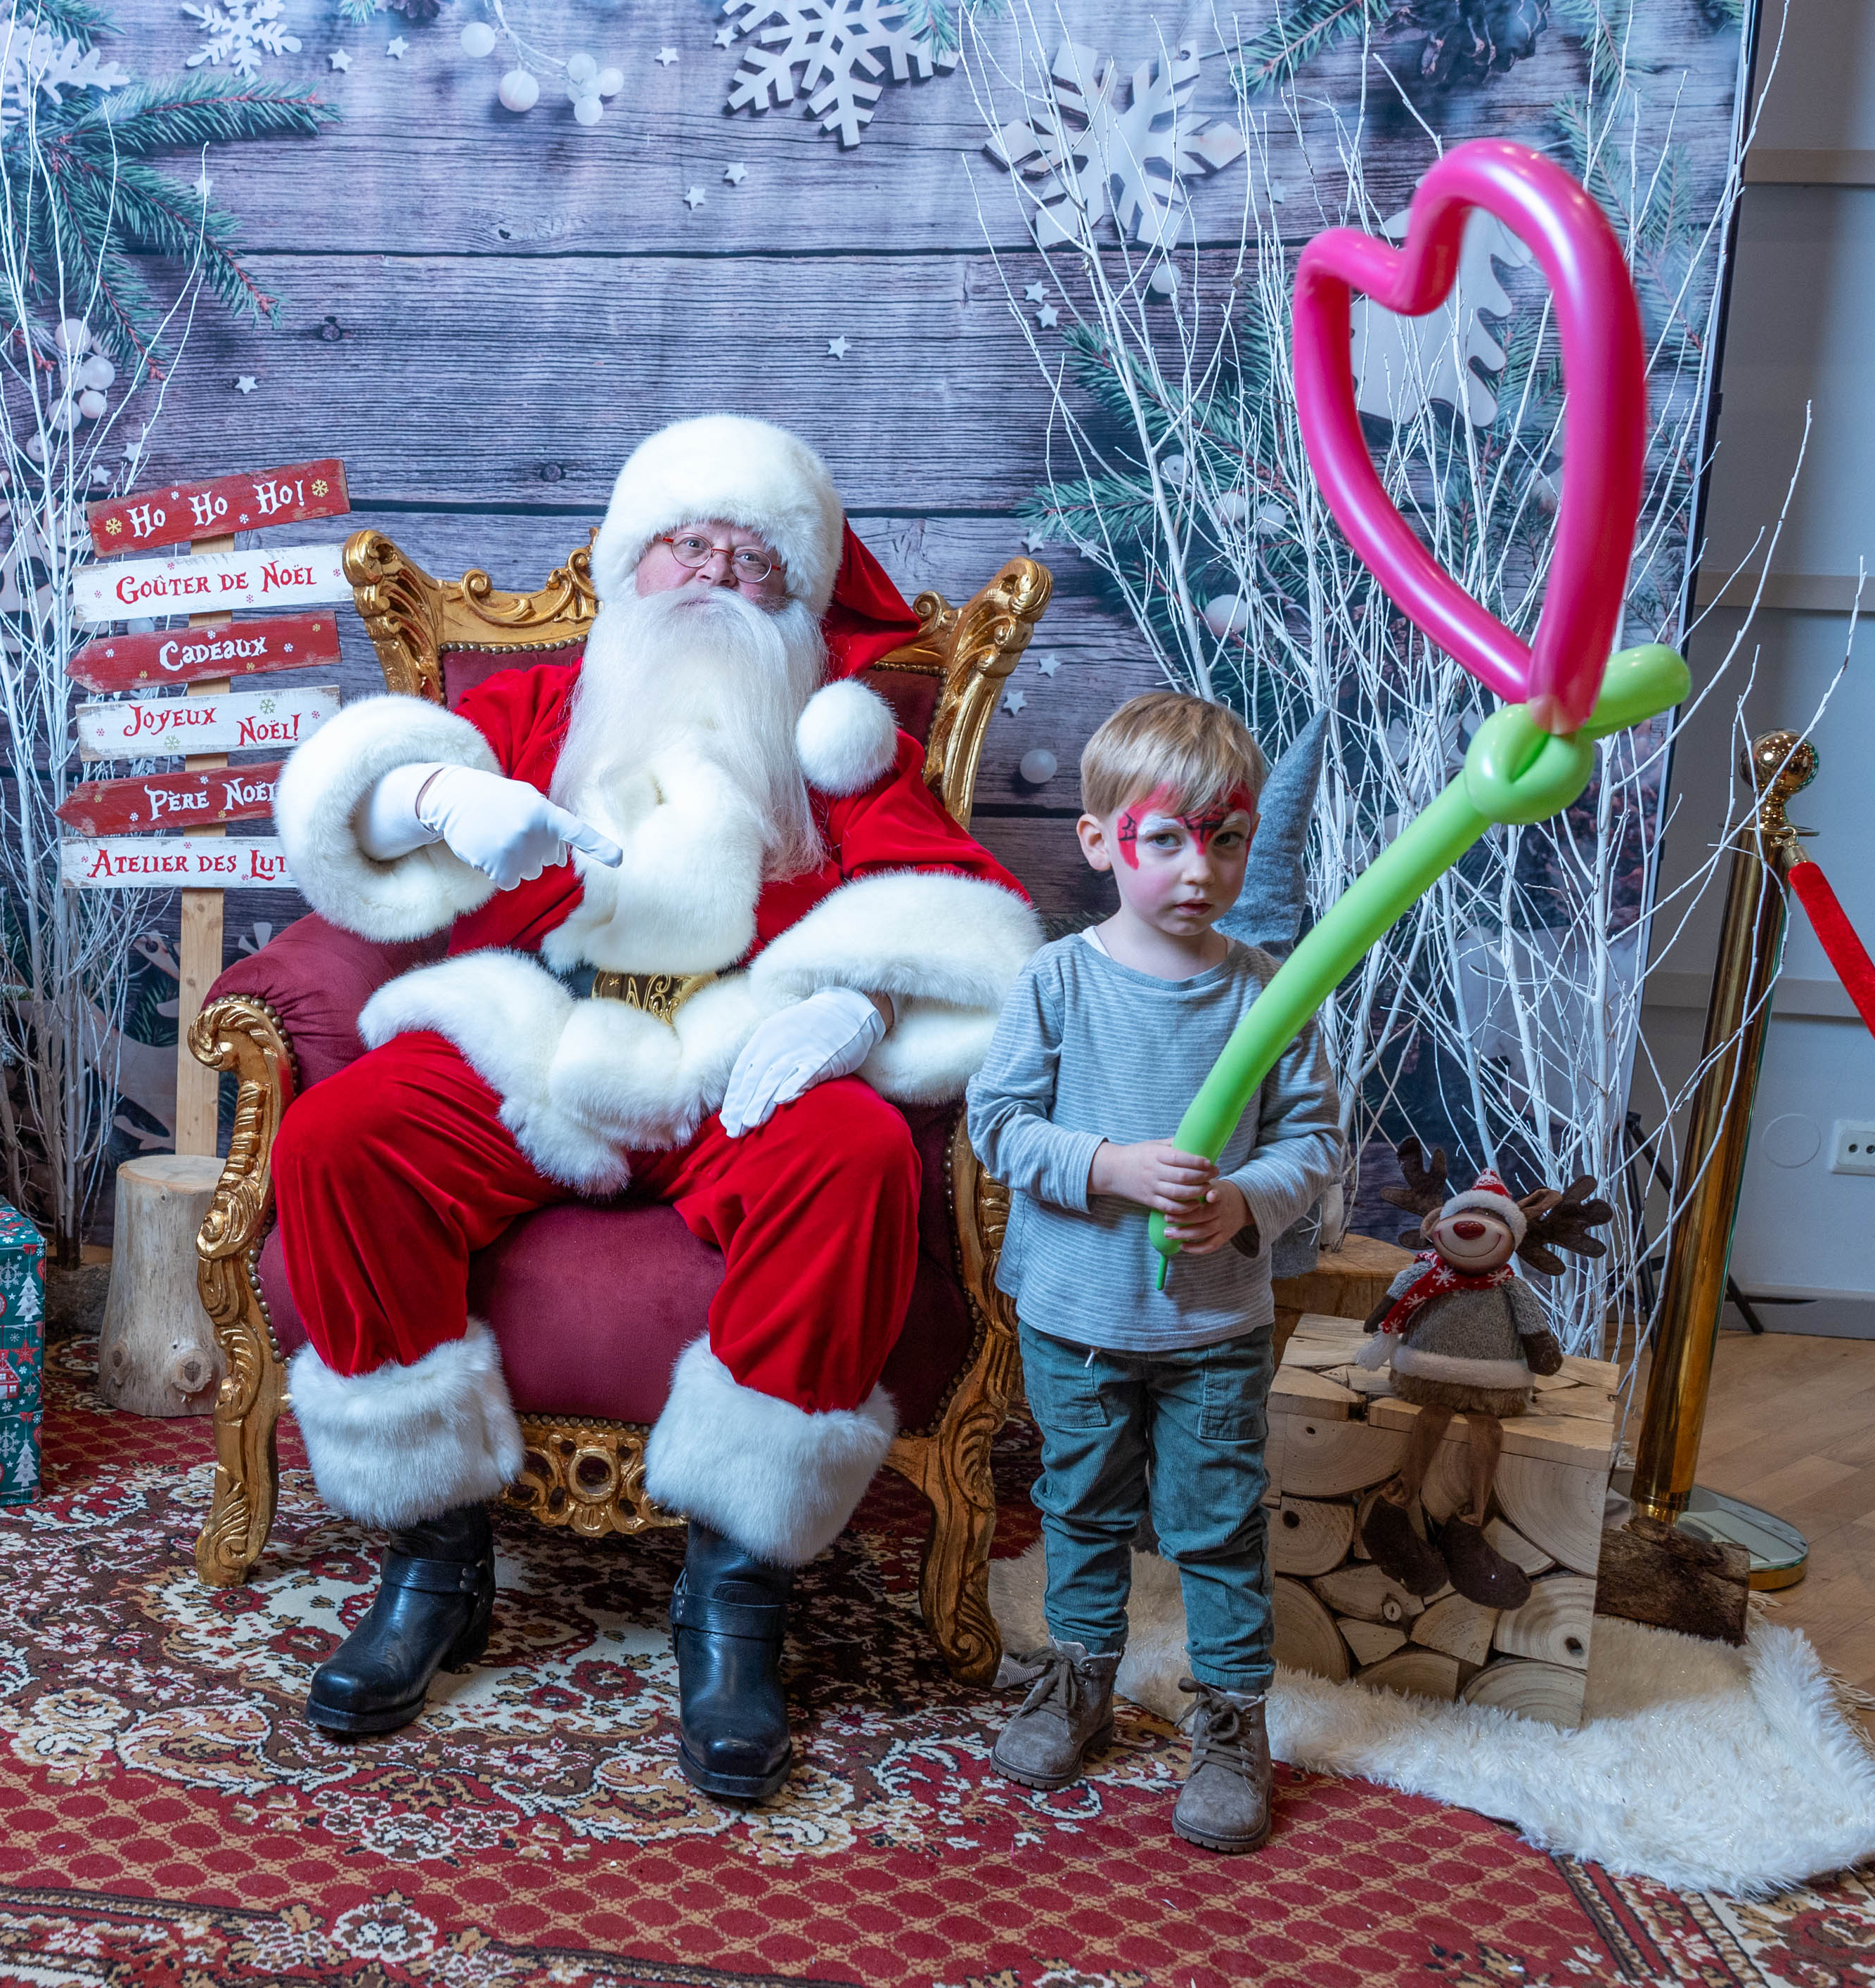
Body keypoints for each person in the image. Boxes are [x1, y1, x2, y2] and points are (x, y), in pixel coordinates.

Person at [269, 414, 1041, 1802]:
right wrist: (443, 794)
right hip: (540, 1037)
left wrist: (857, 1006)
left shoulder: (839, 743)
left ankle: (732, 1594)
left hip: (734, 1053)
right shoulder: (542, 706)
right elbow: (360, 799)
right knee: (343, 1136)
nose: (711, 573)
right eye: (685, 541)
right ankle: (435, 1553)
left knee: (861, 1153)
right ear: (632, 561)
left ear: (794, 598)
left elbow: (966, 921)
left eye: (751, 557)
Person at [962, 690, 1344, 1854]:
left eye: (1225, 838)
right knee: (1077, 1505)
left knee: (1217, 1522)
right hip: (1075, 1314)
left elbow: (1314, 1146)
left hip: (1210, 1327)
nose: (1199, 867)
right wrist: (1109, 1165)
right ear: (1100, 842)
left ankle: (1230, 1719)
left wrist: (1243, 1201)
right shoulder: (1057, 983)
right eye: (1166, 837)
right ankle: (1080, 1677)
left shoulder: (1269, 995)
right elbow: (997, 1125)